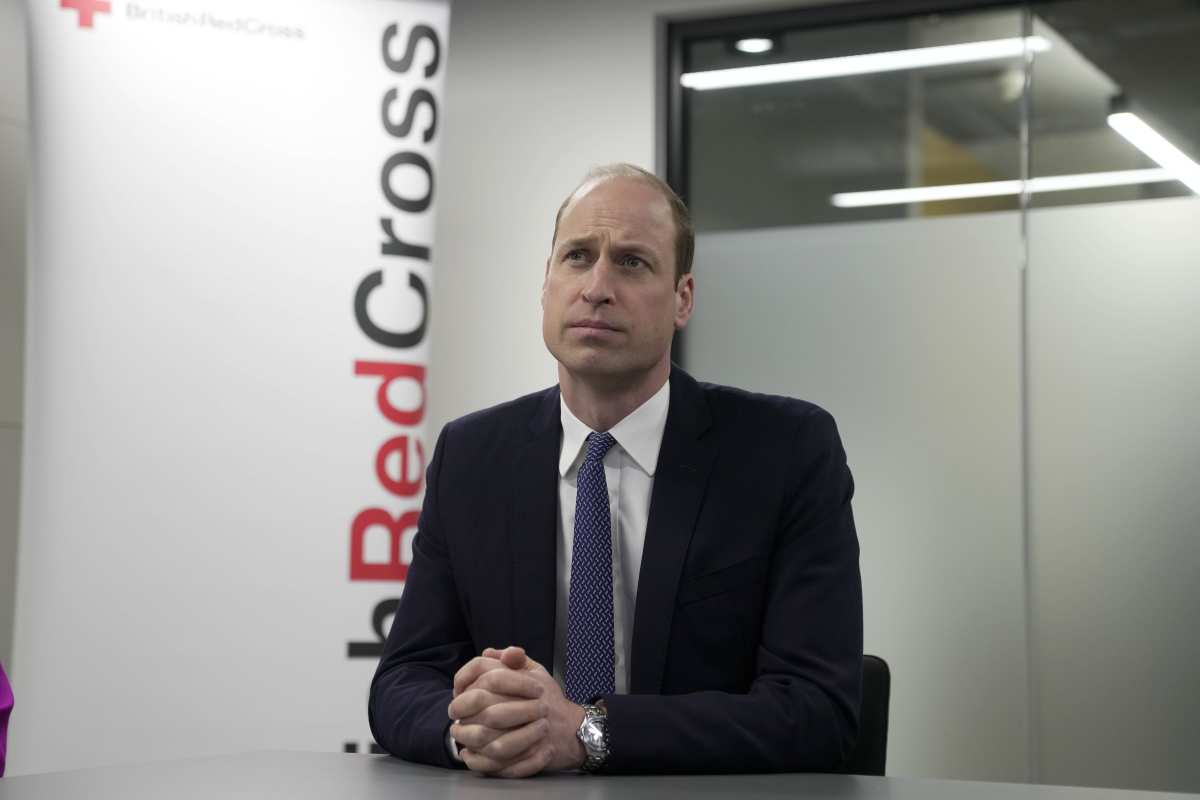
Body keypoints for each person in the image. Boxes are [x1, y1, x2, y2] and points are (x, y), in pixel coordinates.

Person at [368, 163, 862, 776]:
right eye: (577, 256)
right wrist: (475, 725)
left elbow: (819, 710)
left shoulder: (786, 452)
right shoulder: (471, 456)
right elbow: (402, 680)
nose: (596, 286)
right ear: (545, 282)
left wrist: (586, 733)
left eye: (631, 262)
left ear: (683, 298)